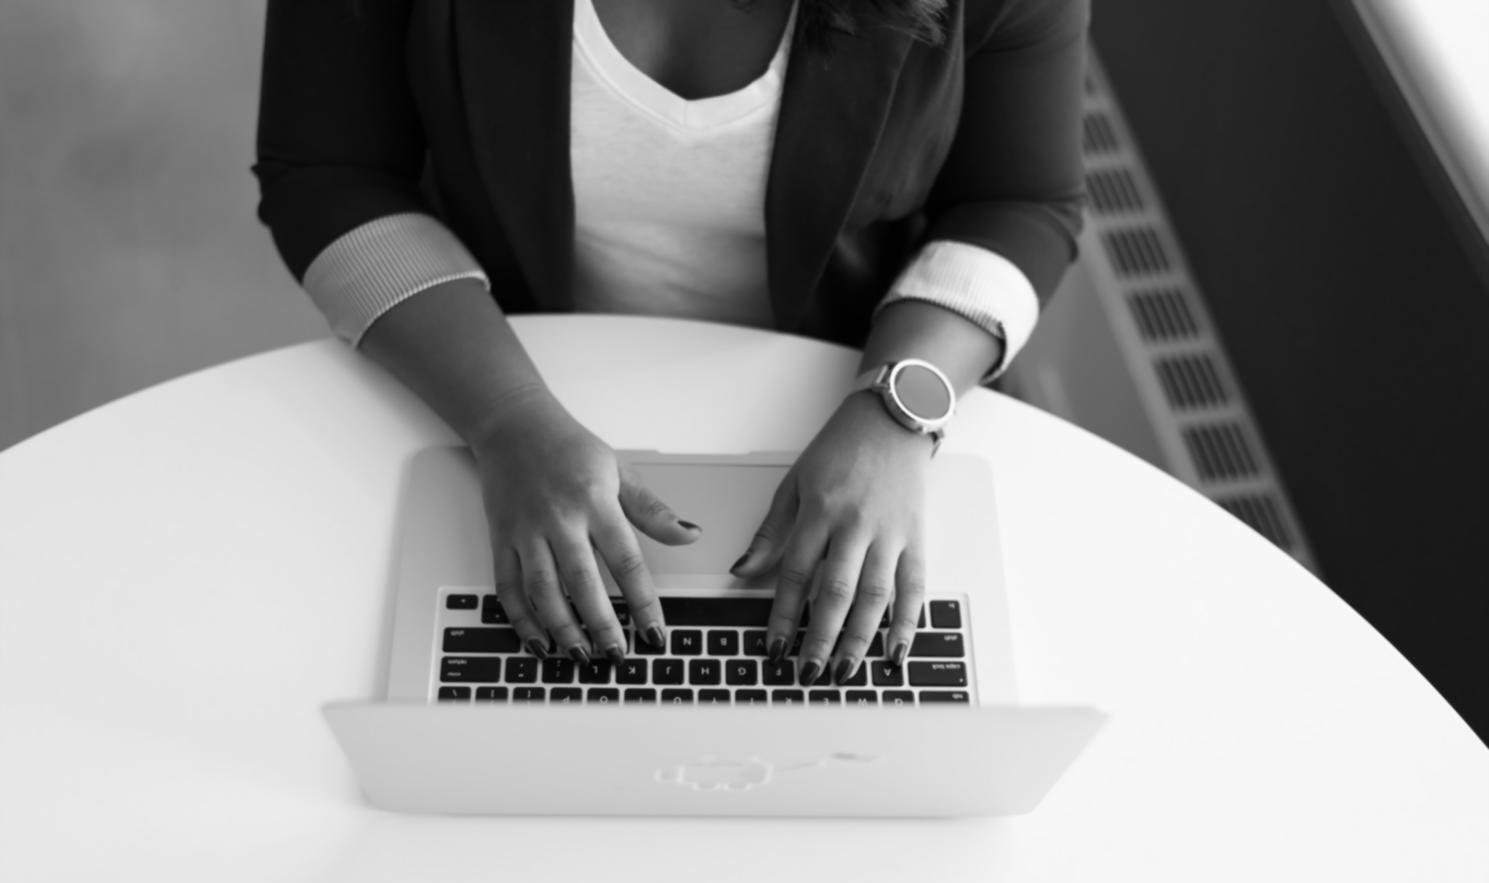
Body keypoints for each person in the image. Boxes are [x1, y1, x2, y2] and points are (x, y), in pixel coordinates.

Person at [252, 0, 1090, 693]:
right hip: (493, 360)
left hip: (841, 390)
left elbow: (1017, 201)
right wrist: (507, 418)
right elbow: (328, 175)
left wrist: (894, 412)